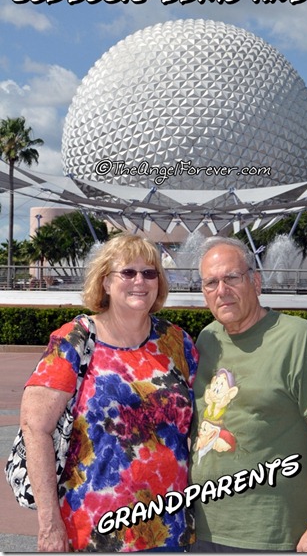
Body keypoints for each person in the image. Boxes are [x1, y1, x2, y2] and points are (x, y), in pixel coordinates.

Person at [20, 233, 198, 552]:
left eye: (149, 272)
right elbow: (35, 427)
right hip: (94, 531)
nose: (139, 281)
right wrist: (49, 523)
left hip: (169, 528)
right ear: (105, 282)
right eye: (128, 272)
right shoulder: (74, 341)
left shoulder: (177, 342)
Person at [189, 236, 307, 552]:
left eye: (232, 278)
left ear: (255, 282)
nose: (222, 291)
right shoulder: (207, 339)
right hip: (203, 529)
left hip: (272, 534)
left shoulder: (299, 340)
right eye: (211, 283)